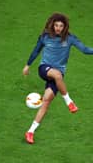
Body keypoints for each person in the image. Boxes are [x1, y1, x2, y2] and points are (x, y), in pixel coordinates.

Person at [22, 12, 93, 144]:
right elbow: (36, 51)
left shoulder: (70, 38)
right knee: (57, 74)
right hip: (45, 69)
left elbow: (84, 50)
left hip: (58, 76)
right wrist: (27, 65)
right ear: (52, 25)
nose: (58, 28)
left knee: (46, 101)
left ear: (65, 27)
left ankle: (30, 131)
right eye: (56, 25)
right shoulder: (45, 37)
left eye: (61, 26)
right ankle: (69, 102)